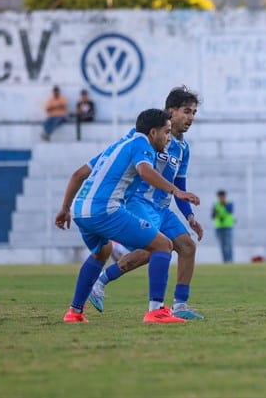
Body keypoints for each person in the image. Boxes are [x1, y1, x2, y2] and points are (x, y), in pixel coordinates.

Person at [55, 108, 200, 324]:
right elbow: (144, 171)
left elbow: (78, 174)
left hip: (80, 209)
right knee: (163, 245)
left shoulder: (117, 146)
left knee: (101, 253)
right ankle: (156, 311)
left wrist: (65, 208)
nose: (169, 139)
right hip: (105, 209)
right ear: (153, 132)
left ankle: (74, 312)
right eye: (166, 133)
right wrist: (175, 191)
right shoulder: (142, 145)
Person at [88, 86, 205, 320]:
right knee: (154, 249)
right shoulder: (150, 135)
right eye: (186, 111)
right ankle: (100, 283)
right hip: (138, 202)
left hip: (162, 208)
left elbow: (179, 183)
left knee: (187, 246)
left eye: (193, 112)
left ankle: (180, 306)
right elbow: (136, 163)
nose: (191, 117)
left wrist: (190, 217)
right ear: (171, 111)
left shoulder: (183, 148)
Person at [212, 190, 235, 263]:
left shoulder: (229, 203)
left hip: (228, 227)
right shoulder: (216, 204)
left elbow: (230, 211)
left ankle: (230, 260)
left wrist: (223, 205)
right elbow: (213, 215)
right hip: (219, 227)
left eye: (222, 197)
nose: (221, 198)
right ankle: (225, 261)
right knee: (222, 245)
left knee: (228, 245)